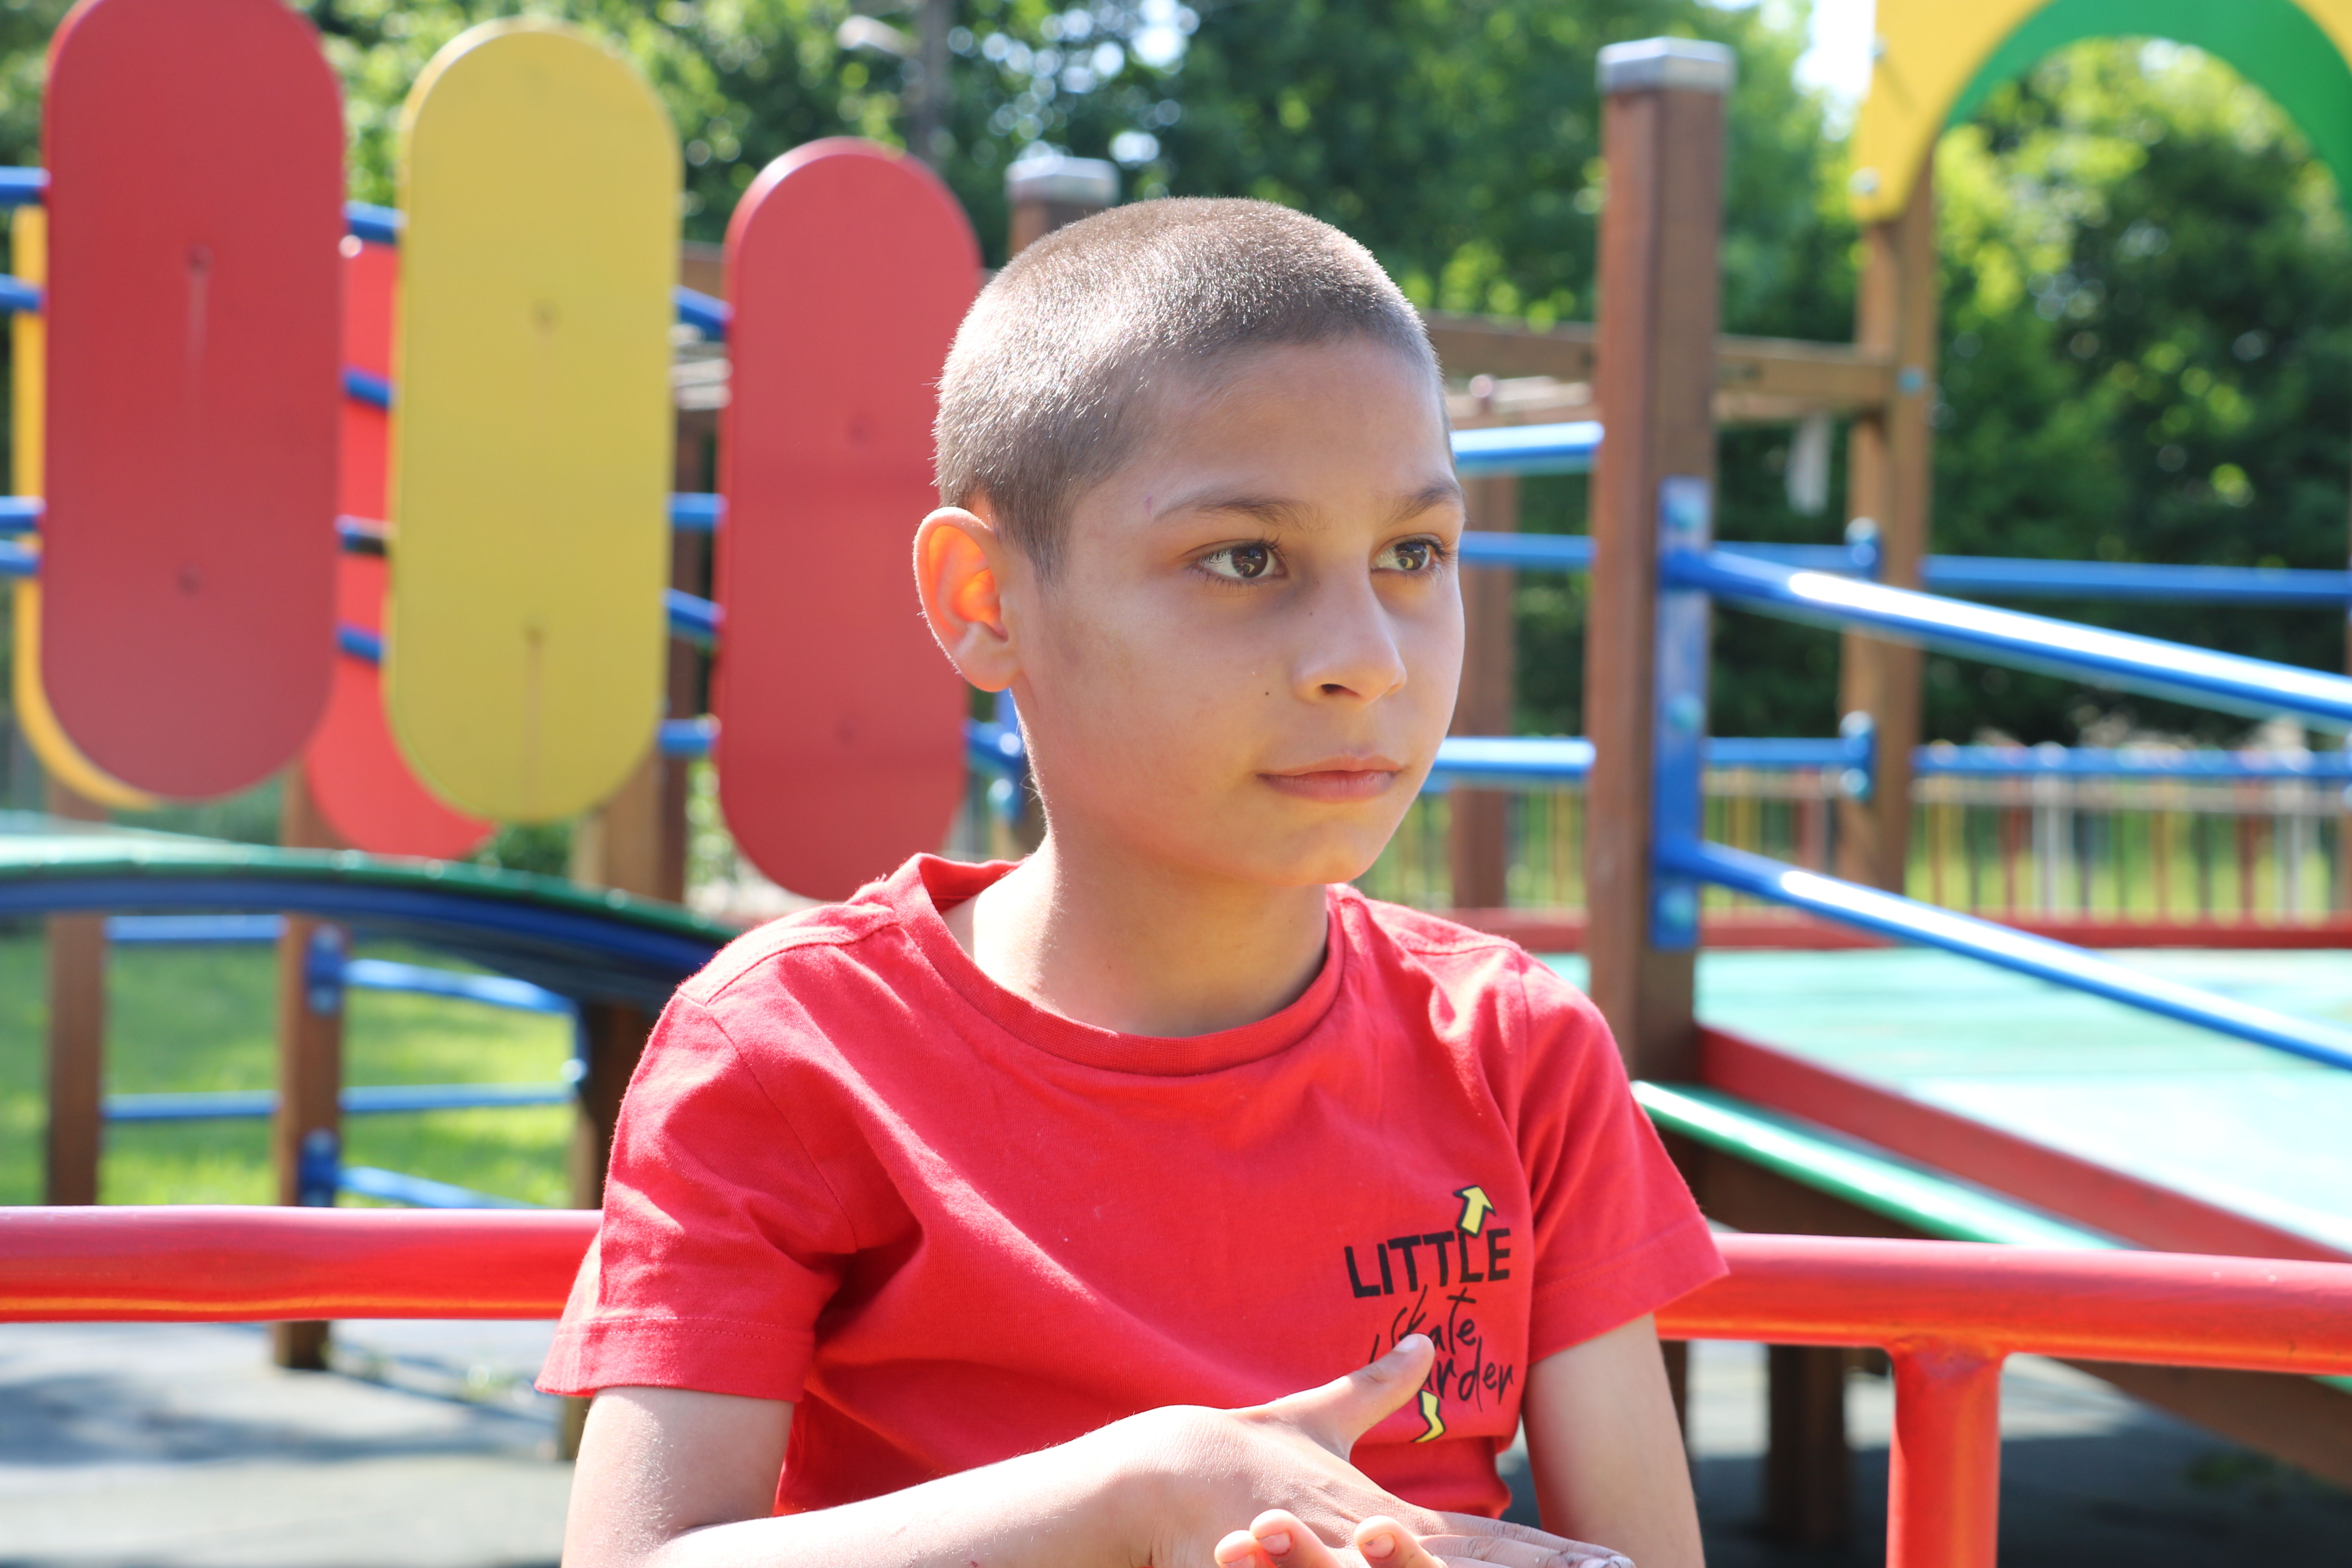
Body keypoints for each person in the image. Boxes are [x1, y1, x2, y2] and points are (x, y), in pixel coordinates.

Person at [546, 197, 1723, 1568]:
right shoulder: (788, 1053)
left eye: (1414, 554)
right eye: (1244, 559)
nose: (1367, 658)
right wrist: (1146, 1487)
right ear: (985, 599)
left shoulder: (1517, 1056)